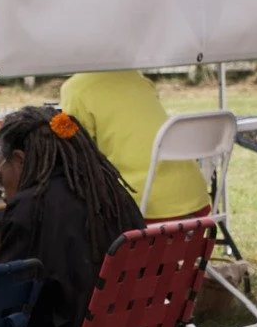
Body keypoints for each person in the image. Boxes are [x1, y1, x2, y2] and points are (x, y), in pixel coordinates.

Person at [0, 105, 147, 327]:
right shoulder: (112, 194)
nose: (3, 191)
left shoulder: (32, 210)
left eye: (0, 177)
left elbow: (5, 304)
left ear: (19, 159)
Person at [57, 70, 206, 219]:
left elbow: (74, 152)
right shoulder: (137, 78)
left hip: (146, 211)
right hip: (197, 203)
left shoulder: (75, 89)